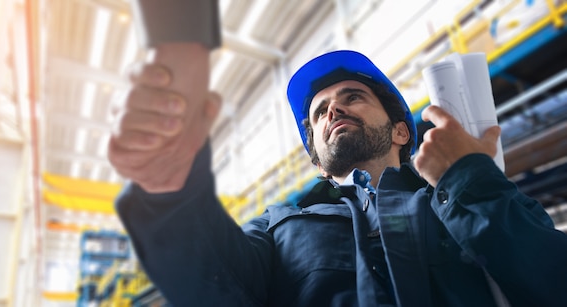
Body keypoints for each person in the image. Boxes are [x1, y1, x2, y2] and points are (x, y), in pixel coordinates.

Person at [109, 3, 567, 306]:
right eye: (321, 111)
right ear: (316, 160)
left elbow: (551, 280)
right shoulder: (275, 230)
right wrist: (169, 189)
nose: (334, 110)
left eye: (353, 97)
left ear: (402, 131)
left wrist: (469, 176)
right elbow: (211, 283)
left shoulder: (456, 198)